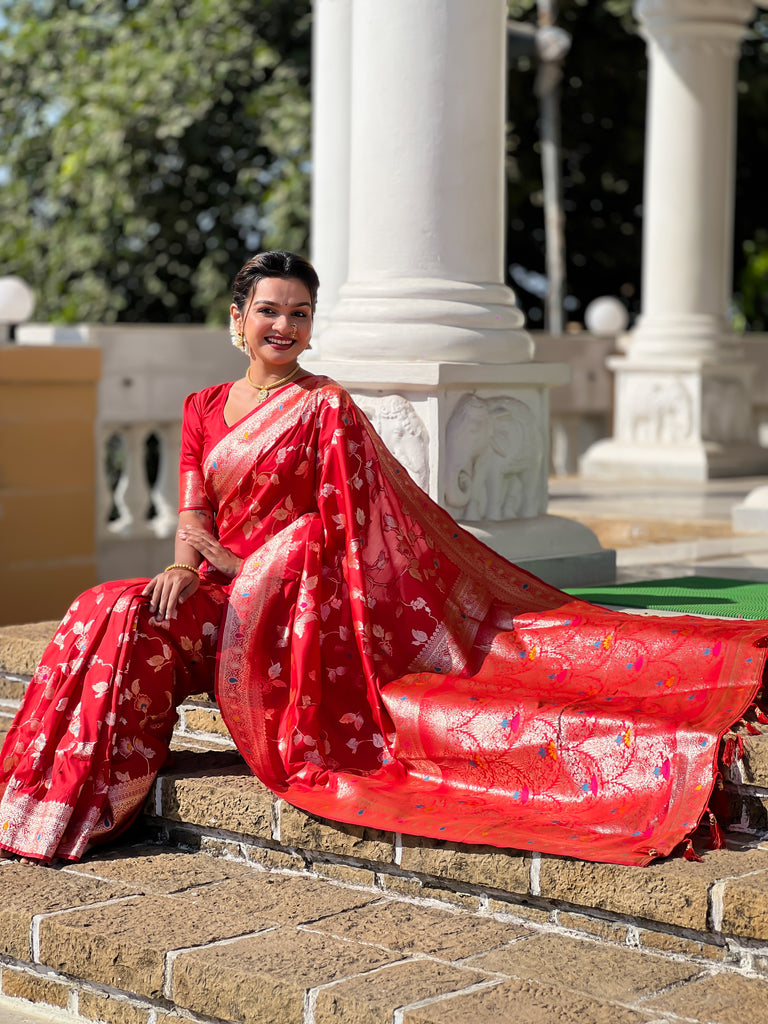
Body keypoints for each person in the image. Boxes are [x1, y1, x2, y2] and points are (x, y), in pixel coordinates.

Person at [1, 250, 766, 868]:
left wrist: (251, 570)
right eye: (268, 311)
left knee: (123, 609)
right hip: (217, 595)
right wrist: (180, 564)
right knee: (112, 604)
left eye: (299, 314)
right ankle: (77, 792)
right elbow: (194, 511)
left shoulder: (326, 406)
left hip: (288, 612)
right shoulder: (203, 407)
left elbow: (343, 532)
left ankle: (91, 796)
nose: (284, 325)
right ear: (237, 321)